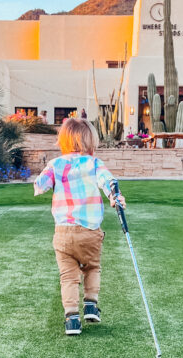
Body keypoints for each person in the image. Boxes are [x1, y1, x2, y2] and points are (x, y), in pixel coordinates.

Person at [33, 117, 125, 336]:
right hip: (90, 231)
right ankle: (91, 304)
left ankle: (72, 319)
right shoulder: (94, 164)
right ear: (90, 141)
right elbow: (108, 182)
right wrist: (115, 197)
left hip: (63, 232)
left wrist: (47, 178)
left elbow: (40, 185)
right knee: (92, 267)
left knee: (68, 276)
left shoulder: (55, 164)